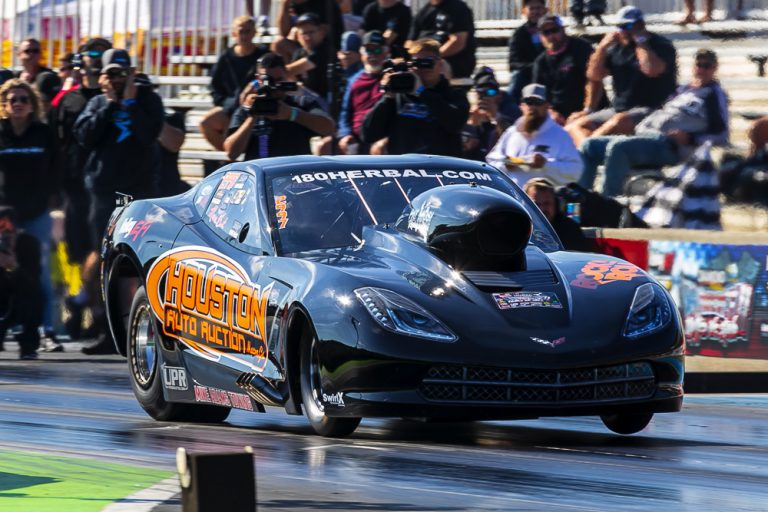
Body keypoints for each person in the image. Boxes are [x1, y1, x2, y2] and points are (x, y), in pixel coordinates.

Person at [74, 48, 165, 354]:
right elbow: (85, 137)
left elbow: (148, 135)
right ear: (102, 76)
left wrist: (131, 102)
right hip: (104, 194)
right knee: (105, 262)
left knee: (139, 261)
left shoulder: (148, 100)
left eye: (122, 73)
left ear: (132, 74)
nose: (116, 79)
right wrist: (111, 104)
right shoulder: (97, 103)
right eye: (111, 74)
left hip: (140, 194)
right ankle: (107, 328)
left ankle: (142, 327)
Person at [579, 49, 728, 197]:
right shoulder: (682, 90)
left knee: (618, 148)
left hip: (668, 145)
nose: (701, 70)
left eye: (706, 66)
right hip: (645, 136)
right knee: (589, 146)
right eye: (698, 65)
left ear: (714, 68)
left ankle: (608, 202)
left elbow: (722, 134)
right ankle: (578, 204)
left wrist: (691, 138)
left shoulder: (713, 94)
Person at [50, 38, 112, 341]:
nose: (95, 59)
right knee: (76, 253)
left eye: (102, 54)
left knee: (99, 252)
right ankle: (79, 307)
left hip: (104, 186)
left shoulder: (112, 98)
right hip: (74, 186)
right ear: (81, 59)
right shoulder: (67, 100)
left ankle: (94, 313)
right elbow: (56, 143)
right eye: (91, 54)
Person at [0, 79, 60, 353]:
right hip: (3, 216)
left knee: (39, 275)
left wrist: (56, 206)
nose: (18, 104)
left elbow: (57, 170)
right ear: (4, 104)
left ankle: (43, 332)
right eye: (12, 100)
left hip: (36, 215)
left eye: (23, 99)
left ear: (32, 104)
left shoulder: (43, 133)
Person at [565, 6, 677, 147]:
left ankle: (589, 149)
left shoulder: (660, 45)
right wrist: (602, 47)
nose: (623, 31)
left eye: (628, 26)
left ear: (640, 25)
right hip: (620, 109)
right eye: (620, 26)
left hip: (652, 108)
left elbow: (651, 70)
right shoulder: (616, 48)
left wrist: (641, 42)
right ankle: (589, 150)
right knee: (575, 125)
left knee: (619, 121)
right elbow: (594, 75)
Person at [361, 38, 469, 156]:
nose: (424, 67)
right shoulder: (399, 96)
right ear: (410, 65)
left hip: (439, 165)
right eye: (418, 62)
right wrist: (387, 98)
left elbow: (456, 124)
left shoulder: (454, 94)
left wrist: (421, 92)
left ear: (440, 63)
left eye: (428, 62)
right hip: (405, 165)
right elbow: (367, 134)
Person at [224, 53, 335, 161]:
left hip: (292, 170)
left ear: (286, 75)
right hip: (261, 171)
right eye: (267, 80)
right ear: (258, 79)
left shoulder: (301, 103)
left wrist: (292, 114)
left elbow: (329, 128)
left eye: (278, 80)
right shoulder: (249, 107)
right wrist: (252, 118)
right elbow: (231, 153)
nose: (273, 86)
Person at [485, 83, 581, 187]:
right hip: (514, 194)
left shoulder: (560, 135)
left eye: (538, 102)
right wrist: (505, 164)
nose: (533, 107)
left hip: (545, 195)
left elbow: (575, 171)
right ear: (522, 106)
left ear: (547, 106)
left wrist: (546, 164)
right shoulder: (512, 132)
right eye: (529, 102)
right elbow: (491, 161)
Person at [200, 16, 268, 152]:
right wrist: (227, 104)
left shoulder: (264, 55)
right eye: (241, 31)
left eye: (248, 31)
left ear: (254, 33)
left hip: (256, 107)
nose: (244, 36)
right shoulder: (226, 56)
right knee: (206, 123)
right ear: (234, 34)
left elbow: (270, 79)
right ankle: (229, 155)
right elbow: (214, 86)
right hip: (230, 108)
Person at [532, 15, 596, 124]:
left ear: (563, 30)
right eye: (546, 33)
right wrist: (551, 112)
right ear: (540, 36)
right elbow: (538, 95)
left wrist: (587, 110)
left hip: (586, 111)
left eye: (554, 30)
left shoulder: (581, 47)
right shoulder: (540, 62)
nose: (551, 36)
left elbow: (593, 80)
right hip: (558, 116)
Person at [0, 207, 44, 359]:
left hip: (21, 297)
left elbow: (32, 282)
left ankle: (28, 344)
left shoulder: (29, 243)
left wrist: (14, 266)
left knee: (32, 300)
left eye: (8, 229)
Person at [334, 31, 389, 154]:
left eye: (378, 50)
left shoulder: (392, 77)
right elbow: (345, 113)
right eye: (368, 50)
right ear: (361, 54)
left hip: (381, 138)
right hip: (356, 138)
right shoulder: (353, 80)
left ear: (386, 53)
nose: (373, 55)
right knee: (325, 145)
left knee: (380, 148)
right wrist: (345, 134)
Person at [408, 0, 476, 78]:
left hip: (452, 60)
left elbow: (458, 42)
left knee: (436, 66)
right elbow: (410, 41)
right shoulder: (424, 11)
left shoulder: (459, 8)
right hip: (421, 58)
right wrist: (413, 58)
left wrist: (431, 57)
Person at [523, 178, 592, 252]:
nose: (542, 209)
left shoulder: (570, 229)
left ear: (556, 204)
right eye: (536, 204)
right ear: (525, 205)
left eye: (547, 203)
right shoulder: (519, 228)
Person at [273, 0, 344, 62]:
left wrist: (298, 33)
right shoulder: (292, 5)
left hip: (325, 51)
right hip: (303, 49)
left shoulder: (324, 4)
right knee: (279, 44)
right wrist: (284, 6)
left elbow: (323, 33)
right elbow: (283, 33)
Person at [286, 13, 336, 98]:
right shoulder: (299, 53)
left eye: (311, 32)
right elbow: (291, 79)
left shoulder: (325, 51)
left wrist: (274, 73)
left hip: (323, 100)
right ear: (298, 36)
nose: (307, 37)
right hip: (305, 98)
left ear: (321, 32)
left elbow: (290, 71)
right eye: (303, 33)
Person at [506, 0, 547, 103]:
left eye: (538, 8)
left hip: (549, 73)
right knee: (517, 75)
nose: (535, 12)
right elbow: (513, 63)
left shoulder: (552, 30)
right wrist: (535, 67)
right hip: (526, 75)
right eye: (531, 9)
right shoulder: (518, 34)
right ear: (524, 11)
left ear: (545, 10)